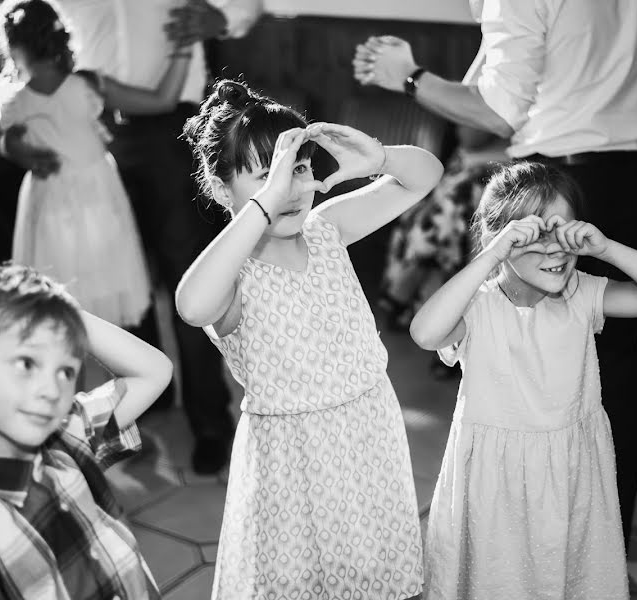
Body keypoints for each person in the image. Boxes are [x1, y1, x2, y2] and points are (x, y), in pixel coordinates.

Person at [353, 0, 637, 547]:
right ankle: (597, 533)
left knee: (554, 337)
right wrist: (613, 77)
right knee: (613, 362)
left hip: (549, 181)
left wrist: (407, 76)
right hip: (627, 175)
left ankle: (565, 527)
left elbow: (495, 117)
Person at [176, 80, 443, 599]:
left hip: (368, 443)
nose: (292, 189)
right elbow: (191, 306)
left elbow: (424, 176)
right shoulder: (231, 274)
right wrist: (265, 204)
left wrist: (380, 157)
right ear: (219, 187)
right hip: (294, 472)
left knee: (376, 578)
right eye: (269, 177)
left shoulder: (327, 228)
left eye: (298, 169)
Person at [409, 162, 637, 599]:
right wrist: (490, 254)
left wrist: (608, 249)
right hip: (496, 480)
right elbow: (425, 332)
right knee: (500, 574)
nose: (555, 251)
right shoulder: (477, 309)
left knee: (568, 569)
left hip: (571, 467)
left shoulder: (582, 293)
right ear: (501, 239)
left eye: (561, 232)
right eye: (534, 236)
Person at [22, 0, 264, 474]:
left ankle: (210, 421)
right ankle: (146, 398)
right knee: (120, 275)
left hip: (175, 124)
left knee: (189, 276)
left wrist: (222, 19)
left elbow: (247, 7)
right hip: (89, 130)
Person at [0, 263, 173, 598]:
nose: (51, 390)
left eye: (65, 370)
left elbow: (154, 372)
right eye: (27, 363)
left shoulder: (66, 436)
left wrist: (65, 313)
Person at [0, 0, 192, 334]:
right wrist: (184, 47)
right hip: (100, 204)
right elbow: (162, 100)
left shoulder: (11, 97)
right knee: (104, 306)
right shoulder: (87, 86)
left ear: (10, 46)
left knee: (58, 316)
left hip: (49, 211)